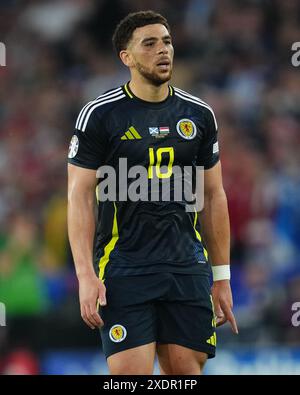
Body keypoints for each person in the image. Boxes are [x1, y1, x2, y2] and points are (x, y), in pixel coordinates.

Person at [67, 10, 238, 375]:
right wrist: (85, 274)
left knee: (185, 376)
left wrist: (221, 276)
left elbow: (213, 196)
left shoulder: (200, 114)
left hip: (186, 270)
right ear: (126, 58)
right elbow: (79, 197)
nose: (163, 50)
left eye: (167, 41)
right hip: (124, 270)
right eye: (150, 43)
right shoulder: (100, 115)